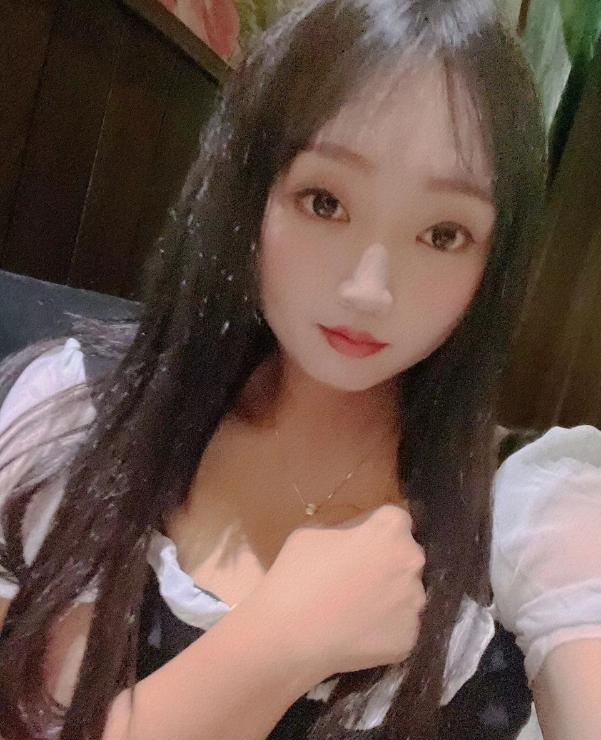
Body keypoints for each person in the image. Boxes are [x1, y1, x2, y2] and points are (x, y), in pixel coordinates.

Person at [0, 1, 599, 738]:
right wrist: (280, 643)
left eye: (443, 234)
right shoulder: (82, 412)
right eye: (325, 202)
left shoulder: (534, 512)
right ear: (249, 192)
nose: (369, 290)